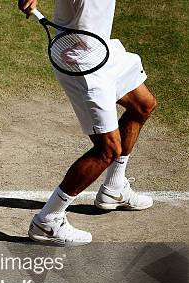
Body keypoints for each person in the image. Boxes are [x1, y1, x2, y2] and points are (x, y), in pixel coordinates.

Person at [18, 0, 157, 246]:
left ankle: (114, 189)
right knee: (108, 150)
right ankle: (48, 220)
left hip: (101, 48)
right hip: (81, 62)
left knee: (142, 105)